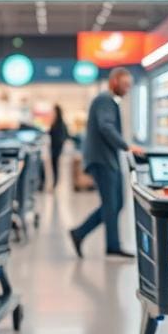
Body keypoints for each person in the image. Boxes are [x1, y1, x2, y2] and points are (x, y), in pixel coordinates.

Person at [69, 67, 143, 259]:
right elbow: (106, 126)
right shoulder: (105, 100)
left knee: (116, 204)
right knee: (112, 204)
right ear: (115, 81)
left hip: (106, 159)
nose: (127, 90)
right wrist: (127, 146)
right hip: (102, 160)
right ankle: (111, 245)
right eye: (125, 85)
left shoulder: (108, 101)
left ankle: (81, 234)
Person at [48, 104, 68, 189]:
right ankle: (54, 183)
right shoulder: (55, 122)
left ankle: (55, 183)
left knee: (55, 165)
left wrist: (60, 143)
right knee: (54, 166)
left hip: (57, 148)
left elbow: (65, 135)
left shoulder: (60, 123)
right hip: (53, 147)